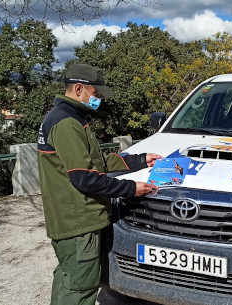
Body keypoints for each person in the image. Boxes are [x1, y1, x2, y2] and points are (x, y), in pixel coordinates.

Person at [37, 64, 161, 305]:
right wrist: (131, 189)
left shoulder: (68, 118)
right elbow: (84, 177)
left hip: (70, 218)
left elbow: (97, 162)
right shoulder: (67, 123)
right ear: (80, 89)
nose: (99, 100)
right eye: (96, 94)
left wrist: (140, 160)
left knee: (69, 277)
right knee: (81, 285)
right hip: (78, 220)